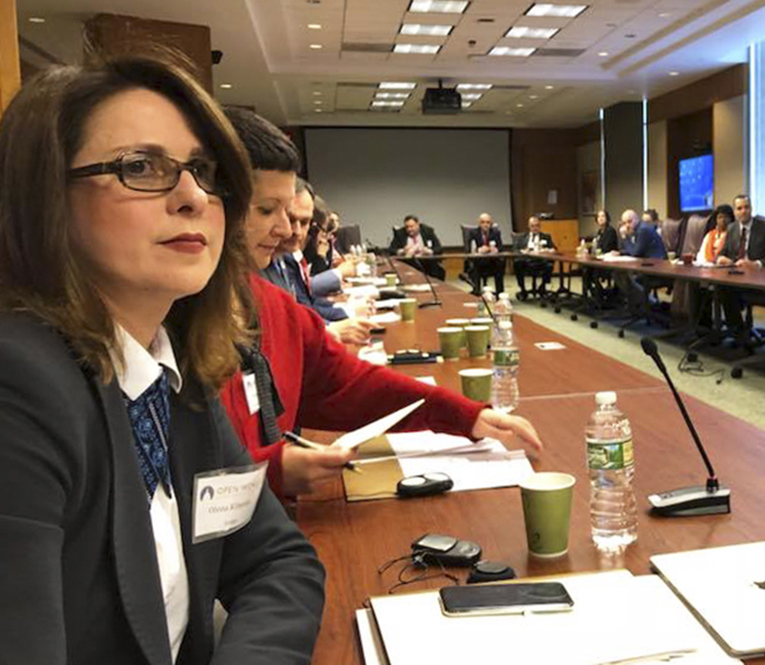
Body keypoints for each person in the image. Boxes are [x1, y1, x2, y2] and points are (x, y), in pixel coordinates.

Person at [0, 55, 324, 663]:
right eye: (140, 167)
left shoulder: (172, 374)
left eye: (203, 170)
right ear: (45, 196)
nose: (193, 196)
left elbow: (278, 560)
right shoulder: (18, 386)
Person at [219, 109, 544, 500]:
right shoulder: (174, 324)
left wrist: (466, 414)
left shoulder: (275, 307)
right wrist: (270, 474)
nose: (287, 230)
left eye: (287, 212)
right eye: (266, 210)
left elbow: (349, 384)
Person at [224, 107, 372, 346]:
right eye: (267, 210)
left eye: (304, 222)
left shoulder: (273, 263)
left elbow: (301, 312)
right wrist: (331, 330)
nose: (288, 230)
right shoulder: (249, 276)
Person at [715, 195, 765, 336]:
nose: (743, 211)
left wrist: (755, 264)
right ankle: (737, 330)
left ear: (751, 208)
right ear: (735, 212)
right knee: (720, 286)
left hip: (758, 279)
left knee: (727, 289)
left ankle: (739, 332)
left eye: (746, 207)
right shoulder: (732, 228)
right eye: (739, 208)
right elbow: (721, 253)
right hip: (735, 276)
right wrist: (721, 258)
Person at [388, 214, 446, 280]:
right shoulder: (400, 233)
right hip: (409, 263)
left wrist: (429, 251)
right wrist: (403, 251)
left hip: (427, 263)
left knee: (437, 270)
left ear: (418, 224)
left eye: (411, 226)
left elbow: (439, 248)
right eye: (407, 227)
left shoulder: (428, 231)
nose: (409, 229)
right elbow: (391, 250)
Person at [512, 215, 555, 299]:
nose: (535, 228)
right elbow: (515, 250)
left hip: (541, 262)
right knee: (517, 263)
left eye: (537, 226)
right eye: (532, 226)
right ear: (529, 226)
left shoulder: (546, 237)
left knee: (550, 265)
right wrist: (524, 251)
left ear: (540, 226)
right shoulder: (521, 237)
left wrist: (547, 250)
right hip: (526, 262)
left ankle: (542, 286)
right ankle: (523, 289)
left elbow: (554, 249)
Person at [469, 212, 506, 295]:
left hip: (492, 262)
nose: (485, 225)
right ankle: (477, 292)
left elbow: (501, 248)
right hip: (479, 262)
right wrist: (479, 250)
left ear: (491, 224)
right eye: (483, 222)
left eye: (488, 222)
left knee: (500, 265)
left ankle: (500, 294)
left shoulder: (496, 233)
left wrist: (494, 249)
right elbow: (470, 249)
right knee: (474, 267)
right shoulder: (473, 233)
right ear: (479, 223)